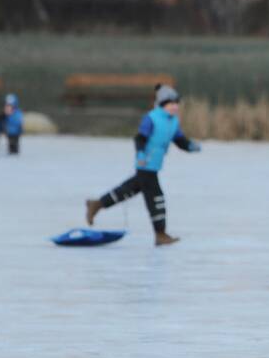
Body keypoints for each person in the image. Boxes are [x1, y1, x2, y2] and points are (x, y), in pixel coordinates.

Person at [85, 84, 201, 246]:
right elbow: (140, 138)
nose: (175, 106)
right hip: (145, 165)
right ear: (162, 104)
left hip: (154, 166)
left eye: (176, 103)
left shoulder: (173, 122)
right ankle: (160, 234)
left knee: (128, 190)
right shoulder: (152, 118)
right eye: (171, 103)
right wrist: (140, 154)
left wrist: (190, 146)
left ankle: (97, 204)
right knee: (156, 198)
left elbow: (179, 140)